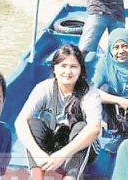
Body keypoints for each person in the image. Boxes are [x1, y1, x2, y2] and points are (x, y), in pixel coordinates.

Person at [15, 44, 102, 180]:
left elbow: (94, 129)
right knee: (33, 124)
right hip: (54, 143)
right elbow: (20, 122)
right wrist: (38, 153)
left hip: (79, 148)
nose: (68, 71)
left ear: (81, 70)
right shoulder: (44, 88)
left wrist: (62, 155)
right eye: (63, 66)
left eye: (73, 66)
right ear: (54, 69)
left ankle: (70, 177)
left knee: (82, 127)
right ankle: (37, 176)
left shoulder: (89, 92)